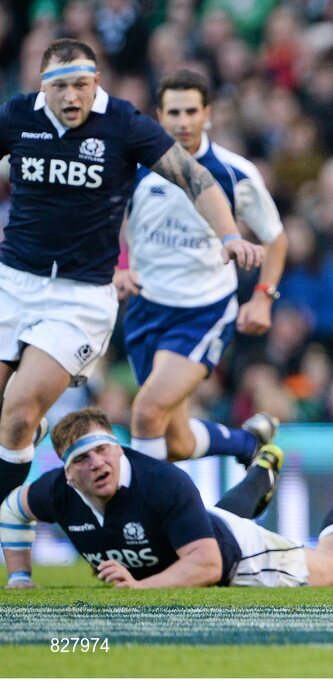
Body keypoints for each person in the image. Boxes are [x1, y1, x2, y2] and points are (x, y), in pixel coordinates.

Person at [0, 39, 263, 504]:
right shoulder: (18, 115)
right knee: (14, 416)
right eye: (60, 86)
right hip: (12, 282)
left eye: (81, 84)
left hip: (78, 298)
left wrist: (228, 235)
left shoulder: (122, 123)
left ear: (96, 82)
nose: (71, 97)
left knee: (19, 414)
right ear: (41, 86)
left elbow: (193, 177)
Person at [1, 408, 333, 588]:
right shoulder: (55, 493)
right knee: (204, 520)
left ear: (118, 448)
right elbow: (11, 510)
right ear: (65, 471)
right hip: (191, 533)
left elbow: (208, 565)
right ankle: (261, 470)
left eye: (104, 449)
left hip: (232, 555)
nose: (97, 463)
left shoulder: (162, 481)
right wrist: (20, 580)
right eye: (82, 459)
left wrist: (139, 586)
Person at [116, 69, 289, 465]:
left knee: (145, 413)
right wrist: (118, 267)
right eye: (174, 112)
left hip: (203, 311)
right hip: (145, 308)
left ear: (208, 113)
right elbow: (109, 225)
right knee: (173, 439)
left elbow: (276, 238)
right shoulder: (135, 169)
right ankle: (247, 444)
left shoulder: (235, 173)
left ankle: (151, 521)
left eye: (192, 111)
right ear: (158, 116)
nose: (183, 122)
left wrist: (263, 298)